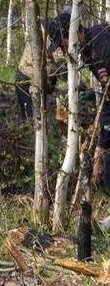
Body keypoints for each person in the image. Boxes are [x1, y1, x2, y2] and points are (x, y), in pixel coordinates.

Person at [45, 11, 110, 186]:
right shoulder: (91, 44)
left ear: (72, 34)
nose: (61, 50)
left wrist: (102, 144)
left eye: (62, 43)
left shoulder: (100, 47)